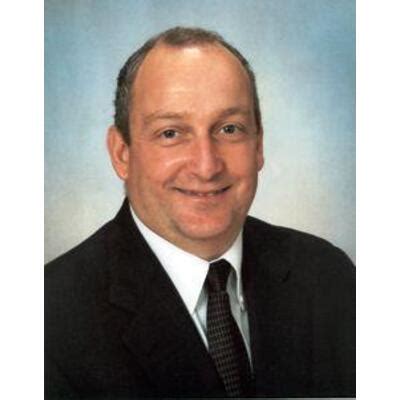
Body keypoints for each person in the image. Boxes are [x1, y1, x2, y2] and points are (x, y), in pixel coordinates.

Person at [45, 26, 355, 399]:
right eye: (171, 133)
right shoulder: (46, 320)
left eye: (229, 129)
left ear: (258, 146)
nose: (206, 166)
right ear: (122, 153)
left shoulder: (328, 277)